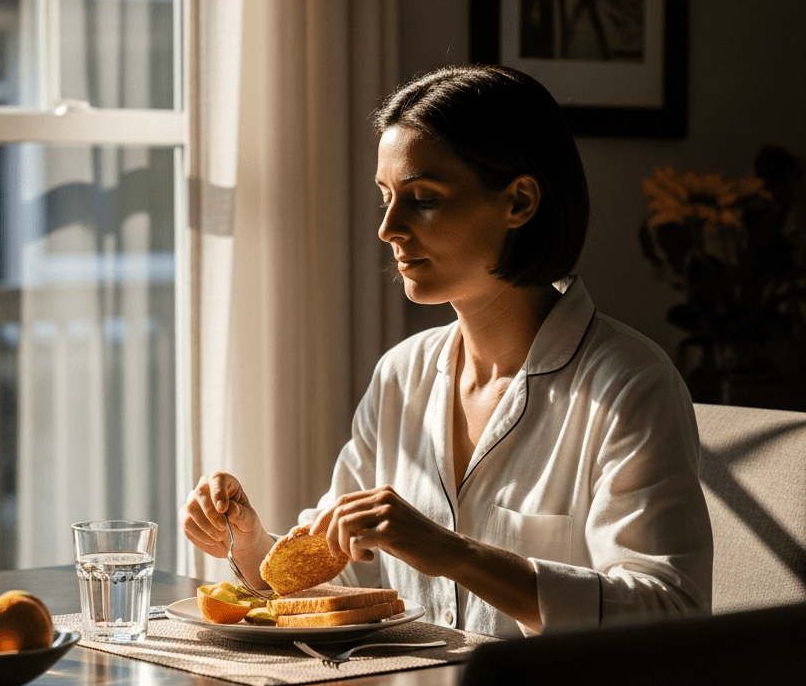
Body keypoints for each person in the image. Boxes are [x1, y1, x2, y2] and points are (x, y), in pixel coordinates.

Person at [180, 65, 713, 638]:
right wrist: (252, 541)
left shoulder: (630, 384)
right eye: (385, 198)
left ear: (520, 202)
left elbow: (670, 613)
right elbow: (337, 588)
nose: (388, 228)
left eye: (423, 199)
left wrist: (453, 553)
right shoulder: (400, 376)